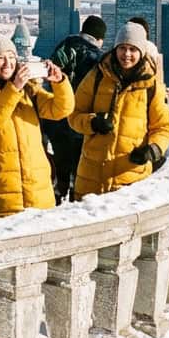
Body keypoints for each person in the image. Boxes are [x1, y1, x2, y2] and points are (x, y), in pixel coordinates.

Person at [0, 32, 74, 219]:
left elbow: (61, 109)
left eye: (11, 57)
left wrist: (60, 82)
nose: (8, 63)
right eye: (0, 58)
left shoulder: (30, 91)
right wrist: (14, 88)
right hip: (2, 192)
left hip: (38, 187)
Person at [68, 22, 169, 197]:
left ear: (141, 51)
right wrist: (92, 122)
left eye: (133, 49)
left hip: (130, 180)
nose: (127, 54)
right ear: (115, 49)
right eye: (122, 48)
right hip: (90, 177)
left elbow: (163, 126)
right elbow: (73, 114)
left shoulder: (151, 85)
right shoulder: (97, 75)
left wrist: (153, 149)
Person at [45, 15, 106, 201]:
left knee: (60, 159)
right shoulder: (98, 58)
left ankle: (58, 193)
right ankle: (74, 197)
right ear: (100, 38)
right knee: (79, 165)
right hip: (81, 121)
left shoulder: (64, 46)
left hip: (56, 118)